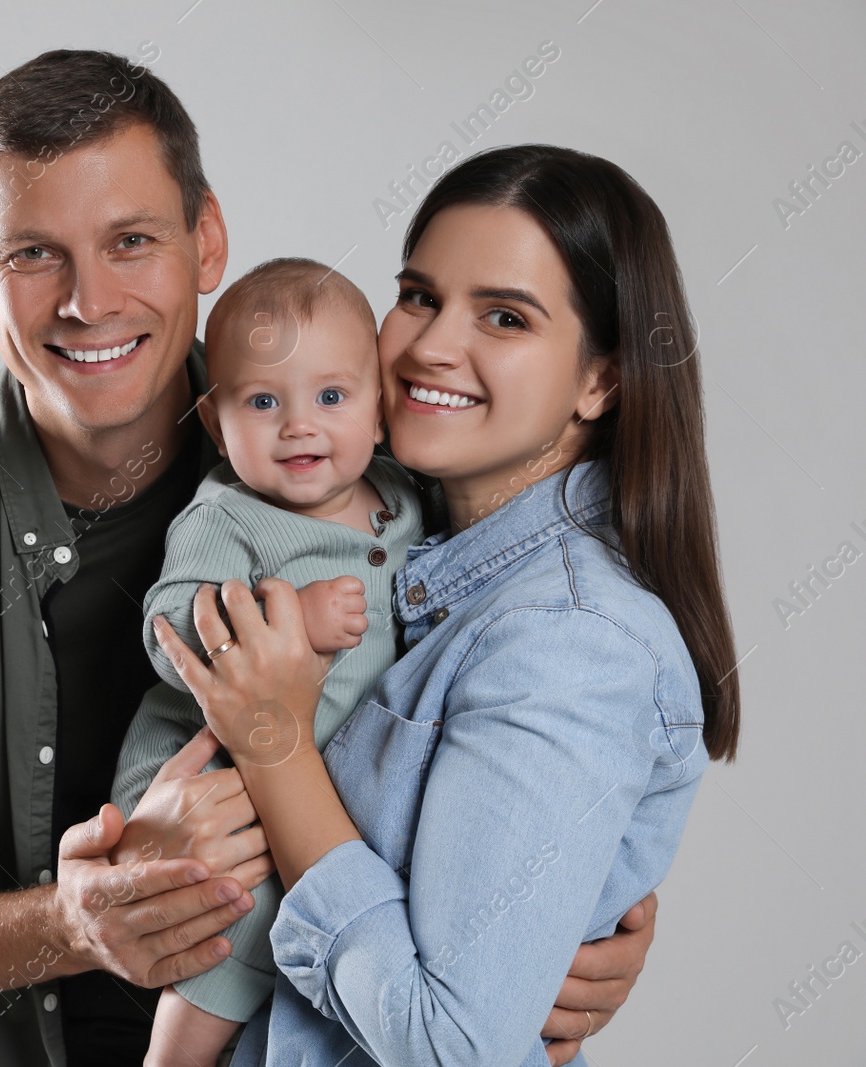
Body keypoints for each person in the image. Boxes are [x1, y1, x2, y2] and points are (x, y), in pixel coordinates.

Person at [0, 49, 656, 1067]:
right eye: (31, 255)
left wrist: (572, 903)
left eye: (131, 241)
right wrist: (77, 919)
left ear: (207, 239)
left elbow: (513, 734)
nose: (88, 301)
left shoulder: (367, 462)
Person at [150, 144, 740, 1066]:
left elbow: (449, 1047)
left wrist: (275, 742)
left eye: (504, 316)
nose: (429, 345)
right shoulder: (398, 541)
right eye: (419, 295)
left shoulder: (568, 641)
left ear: (602, 379)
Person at [111, 258, 422, 1066]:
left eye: (331, 396)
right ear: (217, 425)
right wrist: (292, 620)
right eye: (262, 402)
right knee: (246, 907)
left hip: (310, 783)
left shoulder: (405, 498)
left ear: (380, 409)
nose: (299, 425)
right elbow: (166, 628)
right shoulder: (230, 515)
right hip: (211, 780)